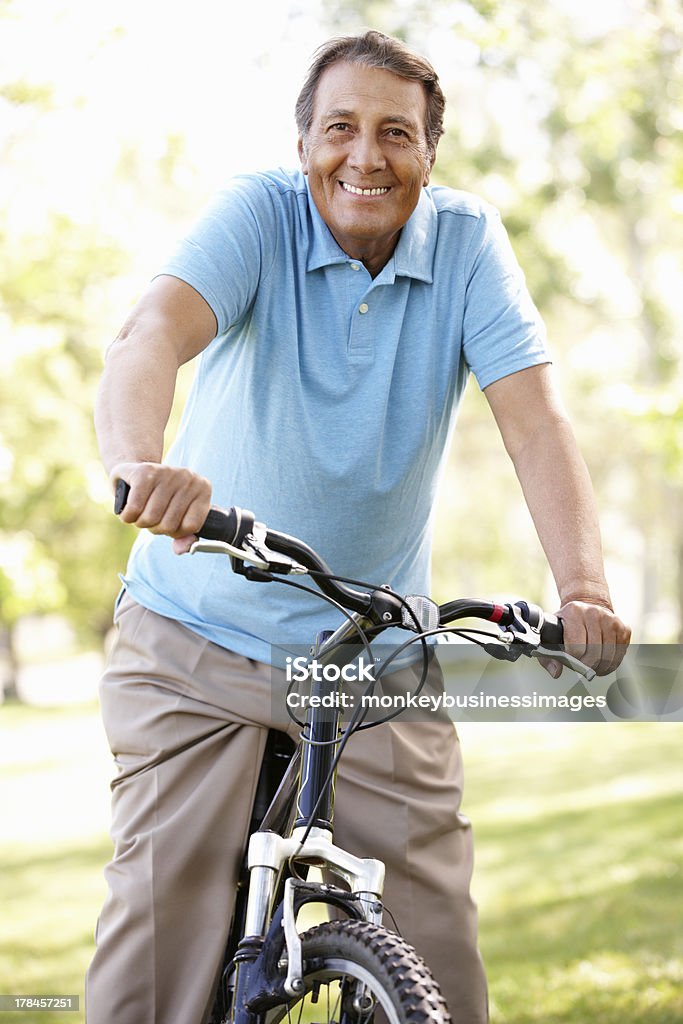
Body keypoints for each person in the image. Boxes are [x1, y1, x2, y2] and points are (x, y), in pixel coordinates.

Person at [86, 29, 630, 1024]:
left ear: (430, 154)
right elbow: (149, 335)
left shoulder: (466, 246)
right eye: (339, 128)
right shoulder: (258, 215)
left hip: (370, 652)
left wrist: (582, 587)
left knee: (434, 949)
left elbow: (535, 424)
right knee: (159, 943)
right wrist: (137, 462)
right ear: (303, 147)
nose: (364, 156)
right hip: (194, 639)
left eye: (395, 134)